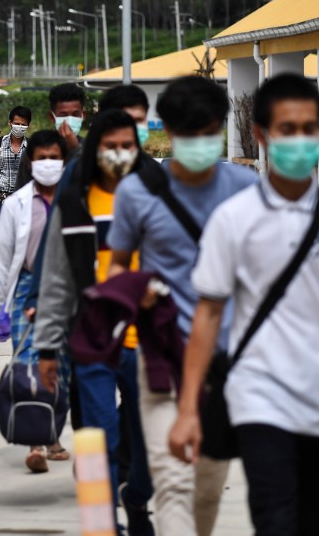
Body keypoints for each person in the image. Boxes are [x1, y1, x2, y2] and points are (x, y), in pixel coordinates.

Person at [169, 73, 319, 536]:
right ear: (261, 134)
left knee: (313, 521)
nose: (300, 140)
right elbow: (208, 313)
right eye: (287, 129)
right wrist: (190, 408)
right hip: (259, 394)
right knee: (274, 519)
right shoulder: (235, 218)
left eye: (309, 129)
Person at [106, 77, 257, 535]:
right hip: (161, 359)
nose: (201, 143)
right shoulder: (138, 191)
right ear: (167, 131)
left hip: (229, 364)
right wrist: (136, 291)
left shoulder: (247, 188)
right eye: (190, 134)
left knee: (207, 490)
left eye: (210, 132)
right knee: (172, 484)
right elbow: (116, 268)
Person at [34, 109, 154, 533]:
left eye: (127, 146)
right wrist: (47, 347)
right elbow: (55, 280)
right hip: (93, 344)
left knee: (146, 448)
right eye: (110, 147)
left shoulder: (156, 197)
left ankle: (136, 498)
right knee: (98, 437)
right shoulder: (75, 202)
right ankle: (105, 524)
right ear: (93, 150)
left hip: (149, 345)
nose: (119, 154)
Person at [0, 129, 71, 473]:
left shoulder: (75, 201)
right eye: (41, 157)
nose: (48, 163)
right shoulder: (15, 205)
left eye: (55, 157)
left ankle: (53, 433)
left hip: (67, 291)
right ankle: (37, 441)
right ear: (30, 162)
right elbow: (2, 263)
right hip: (27, 289)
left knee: (61, 366)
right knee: (30, 363)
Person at [0, 106, 32, 226]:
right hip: (2, 201)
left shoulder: (33, 147)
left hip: (26, 203)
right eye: (16, 123)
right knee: (3, 239)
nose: (19, 127)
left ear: (28, 126)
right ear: (10, 123)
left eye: (23, 124)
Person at [49, 83, 87, 155]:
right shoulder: (39, 147)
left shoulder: (91, 147)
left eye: (75, 115)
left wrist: (75, 149)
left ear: (83, 116)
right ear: (52, 117)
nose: (69, 120)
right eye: (63, 115)